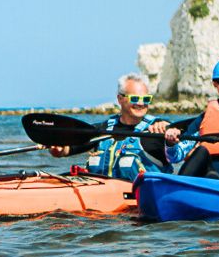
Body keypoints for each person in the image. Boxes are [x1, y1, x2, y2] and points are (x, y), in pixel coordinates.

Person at [49, 73, 183, 181]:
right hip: (102, 200)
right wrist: (58, 148)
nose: (141, 103)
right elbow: (67, 149)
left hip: (142, 199)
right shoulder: (103, 129)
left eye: (146, 99)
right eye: (135, 98)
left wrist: (171, 135)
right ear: (120, 99)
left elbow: (179, 151)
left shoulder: (158, 128)